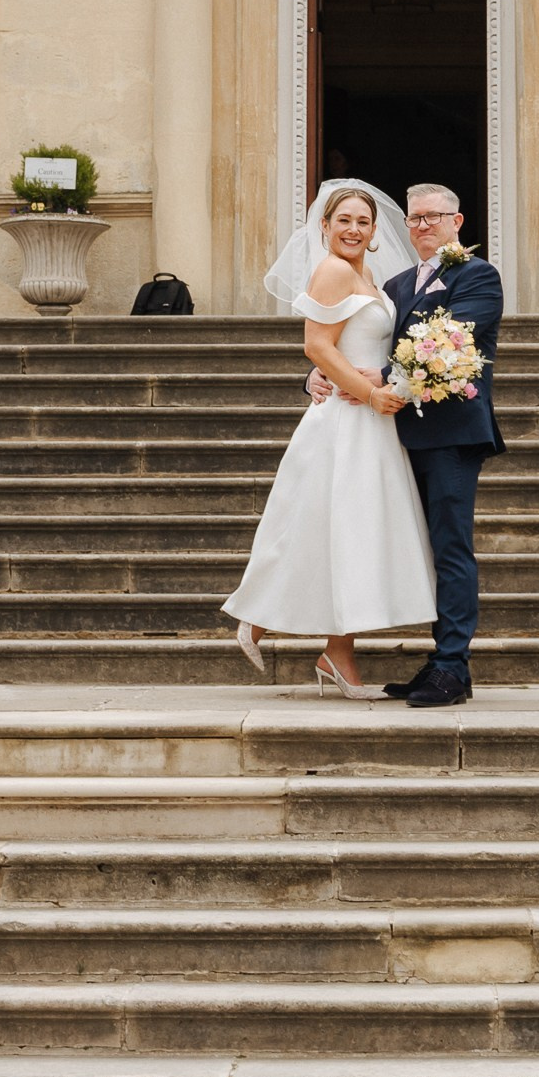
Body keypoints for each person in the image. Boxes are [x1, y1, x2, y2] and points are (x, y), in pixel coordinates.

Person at [222, 180, 436, 697]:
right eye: (344, 221)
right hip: (344, 423)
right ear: (325, 227)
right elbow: (316, 347)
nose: (354, 229)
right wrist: (366, 392)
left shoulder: (374, 282)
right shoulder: (333, 270)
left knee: (351, 537)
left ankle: (337, 656)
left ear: (375, 231)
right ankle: (260, 615)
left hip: (370, 424)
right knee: (327, 529)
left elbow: (356, 345)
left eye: (363, 222)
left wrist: (386, 384)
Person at [373, 181, 506, 710]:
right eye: (414, 219)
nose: (423, 225)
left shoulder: (477, 275)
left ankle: (453, 666)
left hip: (451, 435)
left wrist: (368, 378)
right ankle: (438, 659)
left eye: (433, 216)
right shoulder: (396, 283)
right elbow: (357, 338)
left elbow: (450, 342)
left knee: (450, 547)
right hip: (394, 434)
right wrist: (321, 375)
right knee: (418, 549)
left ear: (458, 221)